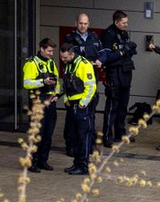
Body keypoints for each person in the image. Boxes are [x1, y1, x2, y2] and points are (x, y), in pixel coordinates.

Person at [63, 13, 103, 155]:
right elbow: (65, 60)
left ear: (89, 24)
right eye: (81, 23)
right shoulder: (70, 39)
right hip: (74, 84)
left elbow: (101, 54)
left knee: (90, 116)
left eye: (85, 23)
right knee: (72, 119)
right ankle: (72, 146)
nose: (83, 26)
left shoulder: (94, 38)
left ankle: (89, 145)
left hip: (90, 81)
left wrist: (99, 61)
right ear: (76, 23)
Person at [99, 11, 138, 146]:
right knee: (112, 106)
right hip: (114, 73)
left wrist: (130, 50)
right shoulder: (108, 35)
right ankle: (107, 136)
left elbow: (127, 52)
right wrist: (122, 51)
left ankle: (120, 133)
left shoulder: (124, 33)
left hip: (125, 73)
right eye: (123, 23)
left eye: (127, 22)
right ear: (116, 22)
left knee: (123, 106)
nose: (126, 25)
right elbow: (107, 57)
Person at [21, 39, 60, 171]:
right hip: (38, 102)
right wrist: (43, 82)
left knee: (48, 133)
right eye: (49, 51)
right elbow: (27, 83)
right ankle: (32, 161)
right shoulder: (32, 63)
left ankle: (43, 160)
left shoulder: (51, 63)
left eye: (52, 51)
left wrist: (56, 94)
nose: (51, 53)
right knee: (38, 133)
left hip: (50, 101)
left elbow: (57, 81)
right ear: (41, 49)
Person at [59, 40, 97, 176]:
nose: (63, 60)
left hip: (81, 106)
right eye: (61, 57)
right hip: (72, 105)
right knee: (74, 135)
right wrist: (66, 99)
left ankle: (83, 165)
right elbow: (66, 85)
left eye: (65, 57)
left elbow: (91, 86)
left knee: (83, 135)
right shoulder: (69, 64)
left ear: (72, 54)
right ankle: (77, 163)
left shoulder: (84, 65)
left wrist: (82, 104)